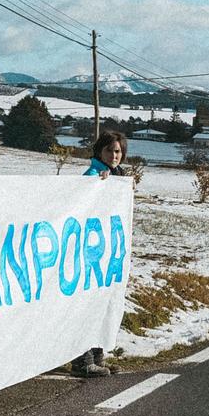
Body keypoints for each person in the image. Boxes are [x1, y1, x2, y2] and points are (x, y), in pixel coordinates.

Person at [71, 131, 128, 378]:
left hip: (106, 252)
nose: (114, 156)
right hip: (89, 251)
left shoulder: (118, 177)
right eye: (109, 151)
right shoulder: (92, 176)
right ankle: (82, 360)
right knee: (85, 306)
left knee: (102, 305)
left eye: (118, 151)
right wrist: (98, 186)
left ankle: (97, 356)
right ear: (99, 151)